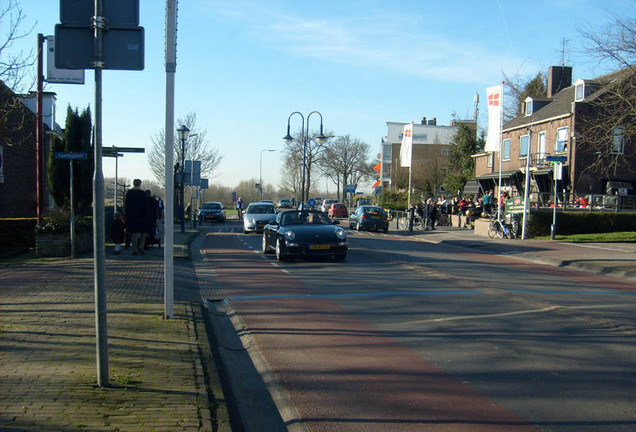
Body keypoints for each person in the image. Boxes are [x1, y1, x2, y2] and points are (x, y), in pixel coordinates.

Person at [125, 179, 148, 255]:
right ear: (140, 184)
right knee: (143, 232)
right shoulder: (142, 193)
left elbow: (127, 205)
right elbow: (145, 206)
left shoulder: (129, 193)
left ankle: (134, 249)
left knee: (133, 233)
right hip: (141, 216)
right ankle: (141, 247)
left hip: (132, 215)